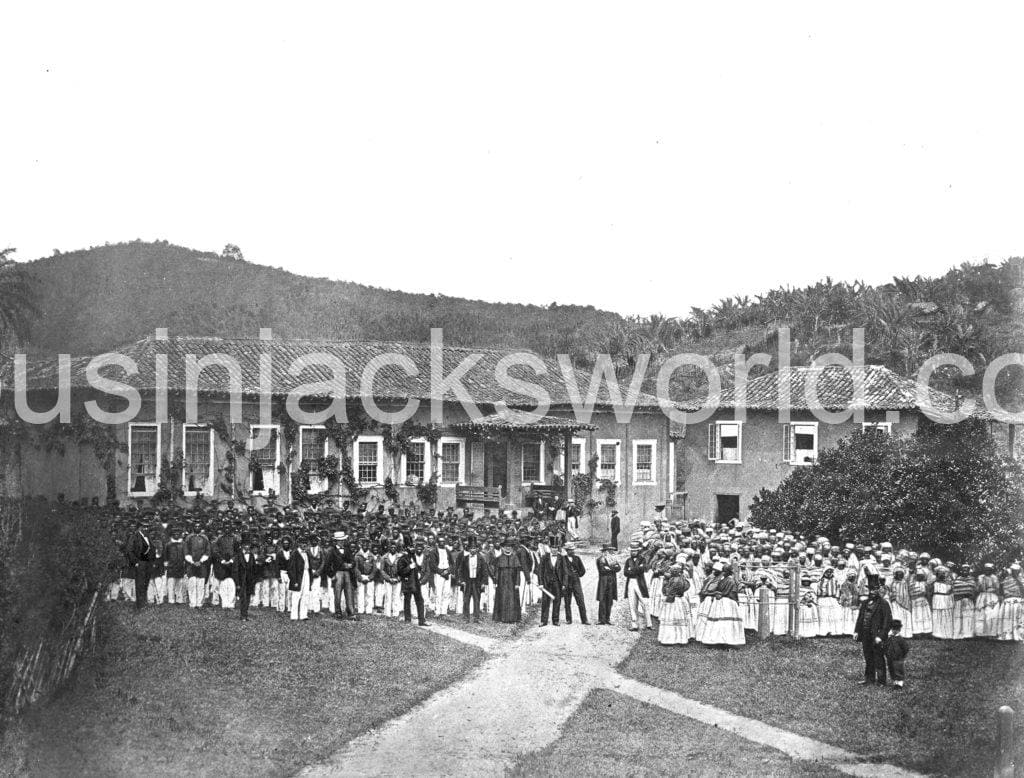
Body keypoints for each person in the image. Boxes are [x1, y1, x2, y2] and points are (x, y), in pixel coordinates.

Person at [854, 576, 892, 686]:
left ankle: (881, 681)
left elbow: (887, 622)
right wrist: (856, 631)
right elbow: (860, 618)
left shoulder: (883, 603)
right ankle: (869, 679)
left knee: (878, 657)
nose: (872, 591)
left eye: (875, 589)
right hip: (865, 634)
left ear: (879, 589)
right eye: (870, 589)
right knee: (868, 657)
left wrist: (881, 636)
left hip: (877, 635)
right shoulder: (865, 603)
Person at [490, 538, 523, 623]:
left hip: (512, 582)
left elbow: (518, 572)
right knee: (502, 598)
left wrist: (517, 583)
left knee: (512, 599)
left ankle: (513, 618)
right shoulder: (499, 558)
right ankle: (501, 618)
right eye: (506, 546)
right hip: (502, 581)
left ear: (512, 548)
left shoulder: (515, 557)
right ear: (503, 547)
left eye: (510, 546)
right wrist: (495, 581)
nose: (508, 548)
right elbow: (496, 571)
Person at [658, 563, 692, 645]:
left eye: (672, 570)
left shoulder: (674, 580)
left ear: (675, 571)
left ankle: (669, 639)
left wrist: (665, 583)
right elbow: (687, 586)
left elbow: (668, 592)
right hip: (680, 600)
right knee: (679, 620)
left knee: (671, 619)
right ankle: (681, 638)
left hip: (673, 601)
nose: (670, 571)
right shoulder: (681, 578)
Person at [398, 540, 430, 626]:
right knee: (407, 601)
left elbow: (418, 568)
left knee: (420, 601)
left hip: (416, 583)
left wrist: (419, 574)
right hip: (407, 582)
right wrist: (409, 567)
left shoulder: (413, 557)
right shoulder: (402, 559)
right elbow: (400, 572)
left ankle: (421, 620)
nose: (412, 548)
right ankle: (408, 620)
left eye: (412, 546)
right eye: (410, 547)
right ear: (406, 548)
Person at [623, 541, 652, 631]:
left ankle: (649, 624)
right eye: (632, 551)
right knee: (632, 603)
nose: (633, 552)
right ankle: (634, 624)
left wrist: (632, 569)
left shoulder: (642, 559)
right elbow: (625, 572)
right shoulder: (628, 560)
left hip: (640, 582)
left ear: (638, 551)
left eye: (635, 551)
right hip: (631, 582)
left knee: (644, 602)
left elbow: (642, 569)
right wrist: (635, 569)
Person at [556, 542, 588, 624]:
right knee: (567, 602)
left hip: (576, 581)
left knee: (580, 600)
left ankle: (584, 620)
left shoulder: (577, 558)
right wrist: (563, 581)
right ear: (567, 550)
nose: (573, 551)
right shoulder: (562, 559)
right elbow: (558, 570)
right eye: (570, 550)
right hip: (566, 582)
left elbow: (583, 570)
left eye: (573, 549)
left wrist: (576, 574)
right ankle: (568, 619)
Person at [458, 539, 487, 622]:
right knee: (466, 600)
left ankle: (476, 618)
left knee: (477, 600)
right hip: (467, 581)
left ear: (477, 549)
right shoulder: (465, 558)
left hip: (477, 582)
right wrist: (462, 580)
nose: (473, 550)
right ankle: (466, 617)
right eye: (471, 548)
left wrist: (483, 582)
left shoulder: (481, 558)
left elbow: (484, 571)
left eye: (474, 548)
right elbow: (460, 570)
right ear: (469, 549)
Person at [126, 519, 152, 610]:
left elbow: (151, 549)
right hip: (140, 563)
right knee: (140, 584)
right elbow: (129, 550)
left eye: (147, 526)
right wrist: (136, 562)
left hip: (148, 564)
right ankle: (140, 605)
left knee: (146, 583)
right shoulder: (134, 537)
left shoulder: (148, 536)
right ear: (140, 527)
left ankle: (144, 602)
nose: (146, 528)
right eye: (144, 526)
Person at [537, 540, 562, 627]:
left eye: (556, 548)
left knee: (557, 601)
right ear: (550, 548)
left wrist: (564, 584)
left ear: (558, 548)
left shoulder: (561, 557)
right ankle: (543, 621)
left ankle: (555, 620)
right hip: (546, 583)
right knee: (545, 601)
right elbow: (540, 571)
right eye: (553, 547)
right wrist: (540, 583)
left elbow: (565, 571)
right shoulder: (544, 557)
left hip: (558, 583)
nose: (554, 549)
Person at [595, 543, 621, 626]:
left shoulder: (613, 559)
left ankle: (607, 618)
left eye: (609, 551)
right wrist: (612, 568)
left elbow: (619, 568)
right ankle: (601, 619)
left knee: (610, 600)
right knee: (602, 599)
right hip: (603, 581)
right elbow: (602, 570)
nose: (608, 552)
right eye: (606, 551)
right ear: (603, 551)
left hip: (611, 581)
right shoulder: (600, 559)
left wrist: (610, 568)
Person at [234, 538, 259, 621]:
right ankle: (243, 615)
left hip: (250, 580)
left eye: (248, 545)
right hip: (241, 580)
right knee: (243, 598)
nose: (247, 547)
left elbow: (254, 568)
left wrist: (254, 579)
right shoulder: (238, 556)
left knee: (248, 597)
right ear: (242, 546)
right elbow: (235, 570)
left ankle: (245, 614)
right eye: (245, 545)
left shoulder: (251, 555)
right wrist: (237, 583)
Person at [997, 563, 1023, 642]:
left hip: (1018, 601)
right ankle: (1008, 635)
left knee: (1018, 619)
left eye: (1016, 571)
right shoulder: (1006, 580)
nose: (1015, 572)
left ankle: (1018, 635)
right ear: (1011, 571)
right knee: (1008, 618)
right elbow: (1001, 590)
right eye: (1013, 571)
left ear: (1019, 571)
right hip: (1008, 601)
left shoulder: (1021, 580)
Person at [885, 619, 910, 689]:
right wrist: (887, 653)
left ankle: (899, 684)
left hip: (898, 658)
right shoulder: (890, 638)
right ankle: (895, 682)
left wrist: (902, 655)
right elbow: (886, 646)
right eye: (893, 629)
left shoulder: (900, 639)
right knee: (892, 669)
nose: (894, 631)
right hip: (890, 658)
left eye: (896, 629)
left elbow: (905, 648)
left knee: (898, 670)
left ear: (899, 630)